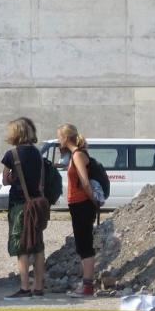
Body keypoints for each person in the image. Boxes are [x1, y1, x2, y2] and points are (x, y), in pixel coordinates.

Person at [1, 118, 46, 300]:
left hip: (20, 205)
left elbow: (5, 180)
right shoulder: (37, 154)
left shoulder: (12, 155)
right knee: (37, 245)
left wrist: (13, 178)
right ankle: (38, 286)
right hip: (37, 204)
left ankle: (24, 287)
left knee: (22, 246)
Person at [57, 123, 98, 298]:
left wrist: (94, 201)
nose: (59, 140)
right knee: (82, 244)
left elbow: (85, 182)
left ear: (66, 138)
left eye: (60, 137)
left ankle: (88, 286)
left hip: (82, 203)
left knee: (85, 245)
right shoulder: (74, 155)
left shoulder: (78, 155)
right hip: (77, 204)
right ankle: (86, 284)